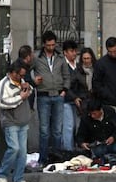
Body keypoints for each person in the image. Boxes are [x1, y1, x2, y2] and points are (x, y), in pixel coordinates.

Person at [35, 31, 70, 165]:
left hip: (58, 95)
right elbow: (27, 72)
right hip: (43, 95)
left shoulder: (60, 57)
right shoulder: (37, 57)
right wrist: (34, 80)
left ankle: (56, 157)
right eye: (48, 45)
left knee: (57, 130)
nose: (51, 47)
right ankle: (43, 159)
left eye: (53, 45)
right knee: (44, 130)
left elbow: (66, 75)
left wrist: (64, 90)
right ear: (44, 44)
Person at [0, 61, 33, 182]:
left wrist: (28, 88)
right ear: (12, 73)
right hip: (10, 121)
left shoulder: (21, 81)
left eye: (23, 75)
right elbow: (2, 102)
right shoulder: (3, 84)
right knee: (14, 148)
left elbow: (29, 93)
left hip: (23, 120)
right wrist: (20, 98)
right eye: (19, 75)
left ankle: (18, 178)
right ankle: (2, 174)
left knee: (23, 152)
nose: (20, 77)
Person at [61, 40, 80, 151]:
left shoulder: (78, 65)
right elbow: (64, 84)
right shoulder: (63, 65)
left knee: (77, 126)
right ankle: (68, 151)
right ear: (65, 52)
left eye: (75, 51)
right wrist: (73, 97)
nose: (74, 53)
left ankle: (77, 149)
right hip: (67, 100)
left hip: (79, 100)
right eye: (71, 51)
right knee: (68, 126)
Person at [15, 45, 42, 110]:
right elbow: (25, 84)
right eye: (32, 54)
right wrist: (34, 83)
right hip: (23, 103)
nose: (33, 57)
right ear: (28, 57)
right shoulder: (22, 68)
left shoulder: (23, 66)